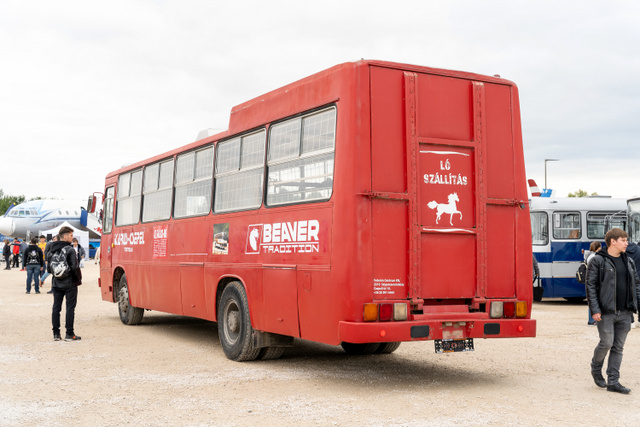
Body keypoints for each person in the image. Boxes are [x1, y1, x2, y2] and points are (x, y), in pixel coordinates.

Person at [586, 228, 640, 394]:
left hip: (625, 312)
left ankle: (613, 381)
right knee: (606, 343)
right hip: (606, 312)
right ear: (613, 242)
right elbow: (591, 287)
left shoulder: (628, 261)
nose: (627, 243)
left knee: (618, 347)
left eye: (626, 240)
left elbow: (636, 285)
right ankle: (596, 367)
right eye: (623, 240)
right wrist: (595, 309)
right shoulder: (598, 261)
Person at [48, 227, 82, 341]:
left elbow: (49, 269)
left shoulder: (51, 250)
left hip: (56, 283)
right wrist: (78, 278)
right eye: (71, 235)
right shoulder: (70, 249)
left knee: (56, 308)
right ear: (65, 236)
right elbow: (74, 267)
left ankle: (56, 334)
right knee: (70, 308)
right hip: (70, 283)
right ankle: (69, 333)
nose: (72, 238)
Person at [585, 241, 602, 326]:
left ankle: (592, 320)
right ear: (598, 247)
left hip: (591, 280)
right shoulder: (594, 257)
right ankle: (592, 320)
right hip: (594, 280)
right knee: (593, 300)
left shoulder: (589, 255)